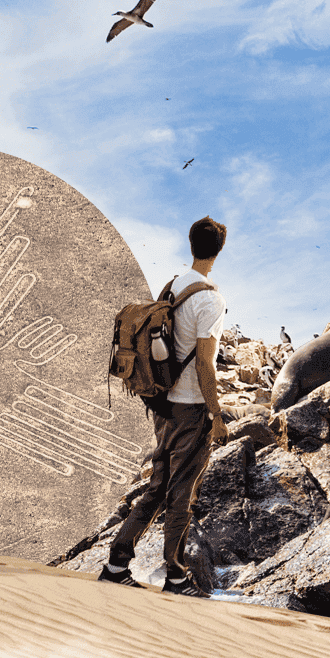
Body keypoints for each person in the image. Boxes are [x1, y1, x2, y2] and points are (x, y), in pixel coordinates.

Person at [98, 215, 230, 596]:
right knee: (181, 493)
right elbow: (205, 364)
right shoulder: (210, 299)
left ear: (192, 245)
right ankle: (175, 576)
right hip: (190, 407)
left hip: (162, 402)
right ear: (218, 251)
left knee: (157, 486)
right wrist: (217, 416)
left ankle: (116, 563)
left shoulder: (173, 286)